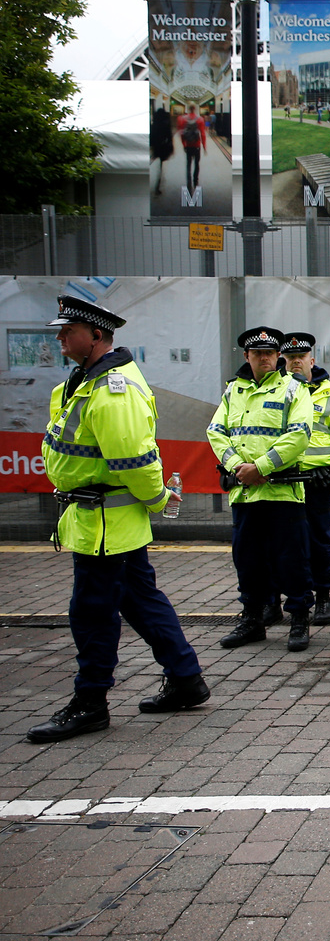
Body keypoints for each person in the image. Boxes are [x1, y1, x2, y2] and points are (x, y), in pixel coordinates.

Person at [28, 297, 207, 743]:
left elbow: (136, 460)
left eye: (67, 332)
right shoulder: (87, 380)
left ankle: (90, 703)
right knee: (141, 600)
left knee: (91, 614)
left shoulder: (112, 388)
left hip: (105, 523)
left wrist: (158, 498)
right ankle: (186, 679)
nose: (60, 338)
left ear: (96, 335)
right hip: (102, 520)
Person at [208, 327, 317, 652]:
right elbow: (216, 431)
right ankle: (252, 620)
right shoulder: (233, 392)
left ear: (278, 356)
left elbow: (300, 435)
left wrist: (260, 468)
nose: (266, 358)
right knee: (248, 560)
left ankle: (299, 621)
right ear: (247, 356)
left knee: (292, 560)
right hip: (246, 494)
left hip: (282, 493)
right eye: (258, 353)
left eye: (271, 353)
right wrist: (237, 468)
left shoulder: (293, 389)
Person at [281, 333, 330, 626]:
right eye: (290, 358)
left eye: (301, 357)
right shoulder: (276, 392)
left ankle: (323, 595)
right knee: (285, 543)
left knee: (319, 540)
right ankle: (289, 596)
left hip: (316, 480)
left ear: (312, 360)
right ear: (282, 361)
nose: (295, 362)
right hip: (284, 480)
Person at [177, 104, 207, 193]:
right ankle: (195, 180)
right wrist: (204, 146)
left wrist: (184, 144)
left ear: (188, 109)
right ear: (196, 109)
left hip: (188, 145)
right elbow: (202, 134)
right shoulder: (200, 119)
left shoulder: (183, 119)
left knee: (188, 164)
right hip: (197, 145)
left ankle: (189, 181)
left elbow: (182, 133)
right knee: (196, 164)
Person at [149, 100, 174, 196]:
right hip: (162, 146)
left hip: (155, 146)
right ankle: (157, 186)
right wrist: (171, 146)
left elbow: (152, 136)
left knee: (152, 159)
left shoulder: (154, 124)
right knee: (159, 167)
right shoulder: (166, 123)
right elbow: (169, 135)